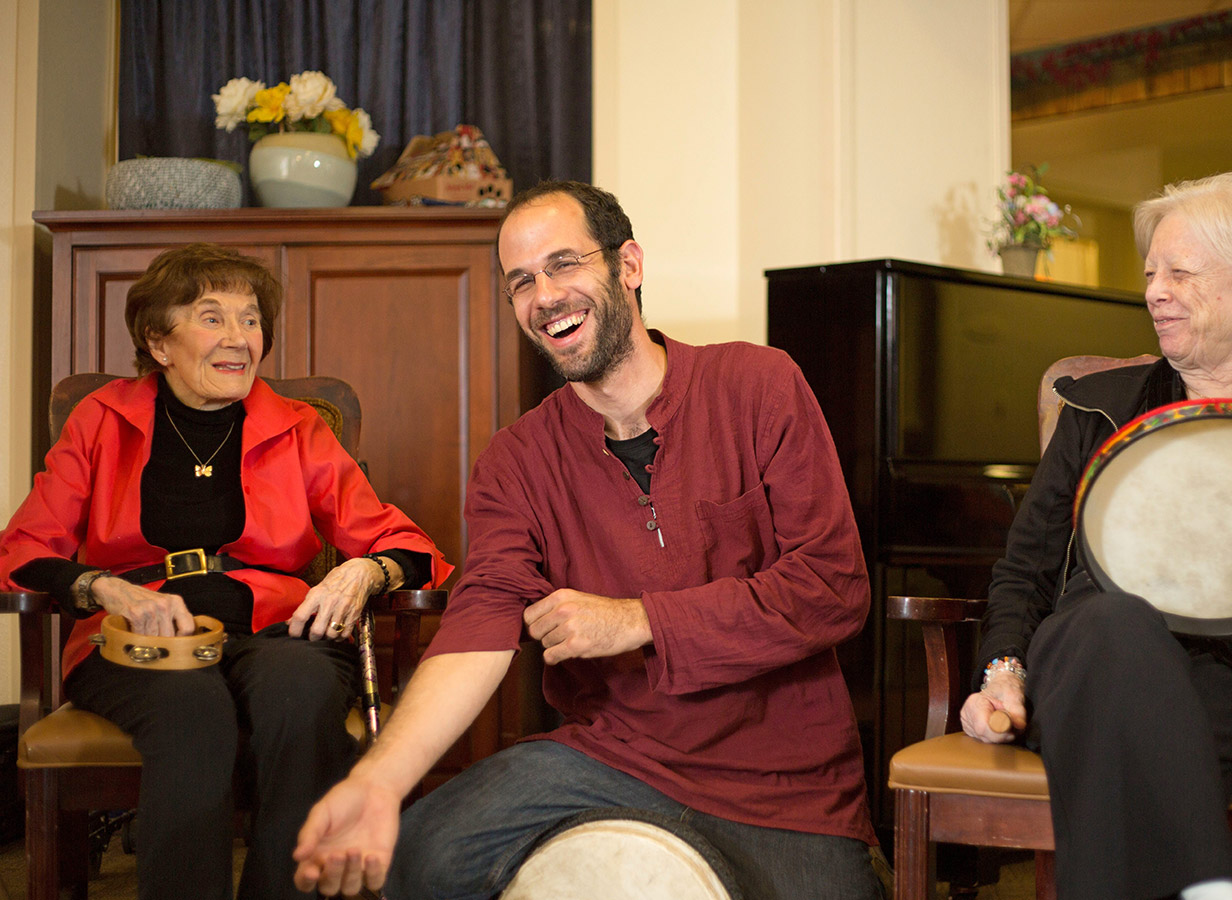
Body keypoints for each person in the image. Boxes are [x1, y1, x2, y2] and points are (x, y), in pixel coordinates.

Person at [292, 181, 883, 900]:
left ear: (627, 265)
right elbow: (480, 623)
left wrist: (636, 620)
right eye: (522, 282)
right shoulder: (515, 460)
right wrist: (379, 782)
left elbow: (833, 589)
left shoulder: (759, 385)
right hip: (611, 759)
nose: (544, 295)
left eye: (565, 264)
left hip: (788, 782)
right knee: (420, 859)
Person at [959, 172, 1232, 900]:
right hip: (1081, 656)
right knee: (1113, 622)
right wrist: (1002, 670)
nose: (1155, 291)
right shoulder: (1096, 407)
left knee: (1123, 729)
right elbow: (1025, 569)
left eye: (1182, 274)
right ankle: (1208, 882)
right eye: (1151, 274)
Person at [0, 243, 451, 900]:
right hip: (140, 633)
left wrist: (363, 573)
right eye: (212, 317)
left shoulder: (297, 427)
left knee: (302, 695)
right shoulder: (102, 421)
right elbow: (23, 550)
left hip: (274, 625)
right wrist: (104, 586)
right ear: (159, 340)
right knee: (191, 710)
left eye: (250, 319)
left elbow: (402, 542)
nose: (239, 337)